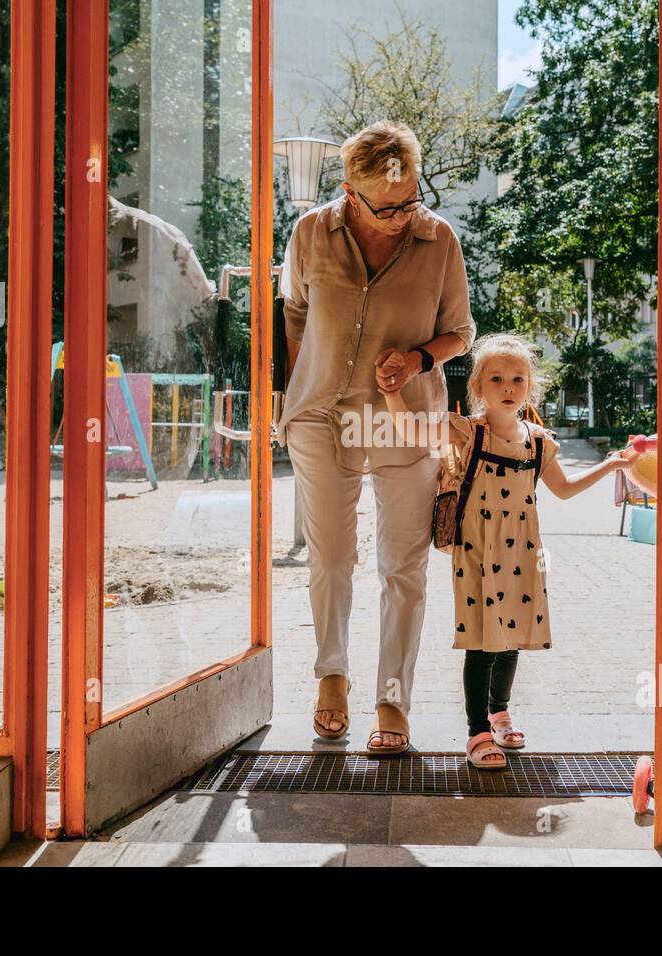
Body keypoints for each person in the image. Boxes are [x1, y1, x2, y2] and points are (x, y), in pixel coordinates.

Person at [277, 120, 475, 755]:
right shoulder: (310, 232)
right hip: (320, 414)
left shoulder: (439, 239)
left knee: (404, 568)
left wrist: (419, 359)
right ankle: (331, 676)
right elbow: (295, 310)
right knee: (332, 556)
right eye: (385, 207)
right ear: (347, 192)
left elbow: (462, 332)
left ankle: (393, 699)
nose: (400, 217)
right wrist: (295, 384)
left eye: (410, 199)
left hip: (405, 415)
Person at [382, 333, 634, 768]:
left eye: (517, 379)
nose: (508, 387)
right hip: (477, 552)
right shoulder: (466, 431)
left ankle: (500, 711)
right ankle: (477, 731)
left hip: (522, 553)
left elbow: (565, 489)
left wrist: (610, 465)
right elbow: (410, 430)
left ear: (529, 386)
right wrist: (391, 395)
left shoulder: (538, 441)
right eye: (496, 378)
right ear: (477, 387)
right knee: (481, 639)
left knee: (511, 634)